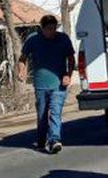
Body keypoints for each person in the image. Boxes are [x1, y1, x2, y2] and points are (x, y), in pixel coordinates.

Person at [19, 14, 75, 154]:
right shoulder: (33, 40)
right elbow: (22, 58)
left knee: (55, 112)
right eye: (49, 29)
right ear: (42, 28)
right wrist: (21, 71)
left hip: (59, 84)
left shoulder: (63, 39)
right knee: (42, 115)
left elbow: (71, 58)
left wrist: (68, 75)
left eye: (54, 28)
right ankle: (41, 139)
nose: (52, 31)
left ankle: (55, 140)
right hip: (40, 84)